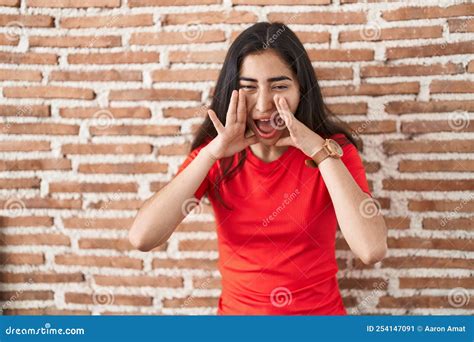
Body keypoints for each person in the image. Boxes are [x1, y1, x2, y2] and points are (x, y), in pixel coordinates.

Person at [129, 22, 388, 315]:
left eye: (279, 86)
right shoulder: (215, 156)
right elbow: (142, 237)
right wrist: (212, 151)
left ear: (302, 89)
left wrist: (319, 151)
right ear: (232, 92)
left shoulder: (332, 150)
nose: (264, 105)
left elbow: (372, 249)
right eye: (248, 88)